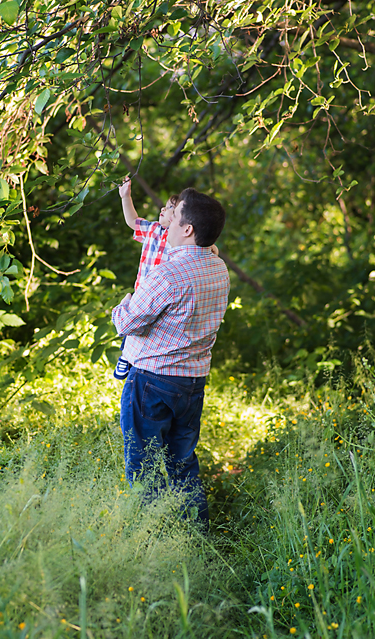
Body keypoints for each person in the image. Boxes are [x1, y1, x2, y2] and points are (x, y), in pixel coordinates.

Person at [111, 187, 229, 526]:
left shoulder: (166, 275)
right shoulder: (219, 269)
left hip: (152, 381)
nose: (168, 220)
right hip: (192, 383)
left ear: (187, 228)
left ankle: (152, 538)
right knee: (183, 461)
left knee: (143, 464)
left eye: (174, 216)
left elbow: (127, 322)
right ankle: (195, 533)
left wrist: (123, 302)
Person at [112, 177, 178, 380]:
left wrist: (213, 247)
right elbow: (132, 221)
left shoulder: (179, 240)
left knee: (152, 327)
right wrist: (126, 197)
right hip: (143, 289)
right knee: (134, 322)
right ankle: (126, 354)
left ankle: (138, 359)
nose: (162, 210)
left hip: (162, 293)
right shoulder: (152, 230)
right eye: (164, 206)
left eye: (169, 209)